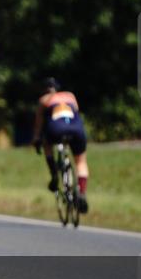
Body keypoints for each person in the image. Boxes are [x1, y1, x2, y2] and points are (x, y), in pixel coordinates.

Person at [32, 77, 89, 213]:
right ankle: (82, 192)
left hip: (56, 129)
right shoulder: (70, 96)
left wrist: (37, 140)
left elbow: (39, 125)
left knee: (47, 144)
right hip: (76, 129)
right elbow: (75, 112)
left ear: (44, 90)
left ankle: (54, 175)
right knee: (81, 161)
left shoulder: (44, 100)